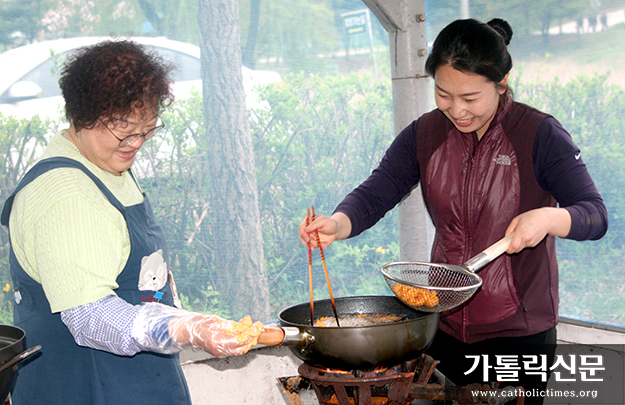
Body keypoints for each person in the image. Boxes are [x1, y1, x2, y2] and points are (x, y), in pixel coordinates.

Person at [299, 18, 607, 404]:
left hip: (519, 334)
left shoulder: (538, 134)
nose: (457, 110)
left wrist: (549, 218)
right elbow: (379, 189)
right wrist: (339, 223)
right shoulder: (425, 133)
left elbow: (595, 215)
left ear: (502, 81)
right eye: (443, 94)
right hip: (442, 326)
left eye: (471, 98)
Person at [1, 39, 264, 404]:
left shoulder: (106, 161)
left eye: (147, 130)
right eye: (125, 130)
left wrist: (182, 318)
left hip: (139, 383)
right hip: (85, 388)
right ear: (82, 115)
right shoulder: (65, 196)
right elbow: (90, 317)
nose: (136, 143)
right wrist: (183, 328)